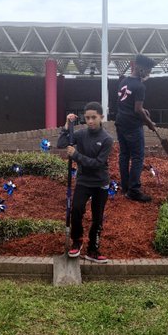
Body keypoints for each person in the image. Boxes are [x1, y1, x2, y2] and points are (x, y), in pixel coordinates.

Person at [57, 101, 115, 262]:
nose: (90, 121)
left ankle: (93, 250)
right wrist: (67, 124)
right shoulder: (81, 134)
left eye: (93, 117)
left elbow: (97, 163)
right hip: (83, 181)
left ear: (101, 117)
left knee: (97, 218)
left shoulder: (107, 139)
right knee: (76, 210)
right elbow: (61, 143)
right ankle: (77, 240)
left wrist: (76, 155)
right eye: (87, 118)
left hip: (100, 182)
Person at [113, 55, 161, 203]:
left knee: (124, 155)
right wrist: (149, 123)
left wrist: (143, 110)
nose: (148, 74)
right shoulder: (140, 86)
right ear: (140, 68)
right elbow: (137, 110)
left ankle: (126, 187)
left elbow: (129, 104)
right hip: (133, 126)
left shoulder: (124, 81)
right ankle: (134, 190)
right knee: (137, 157)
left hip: (120, 122)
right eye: (147, 70)